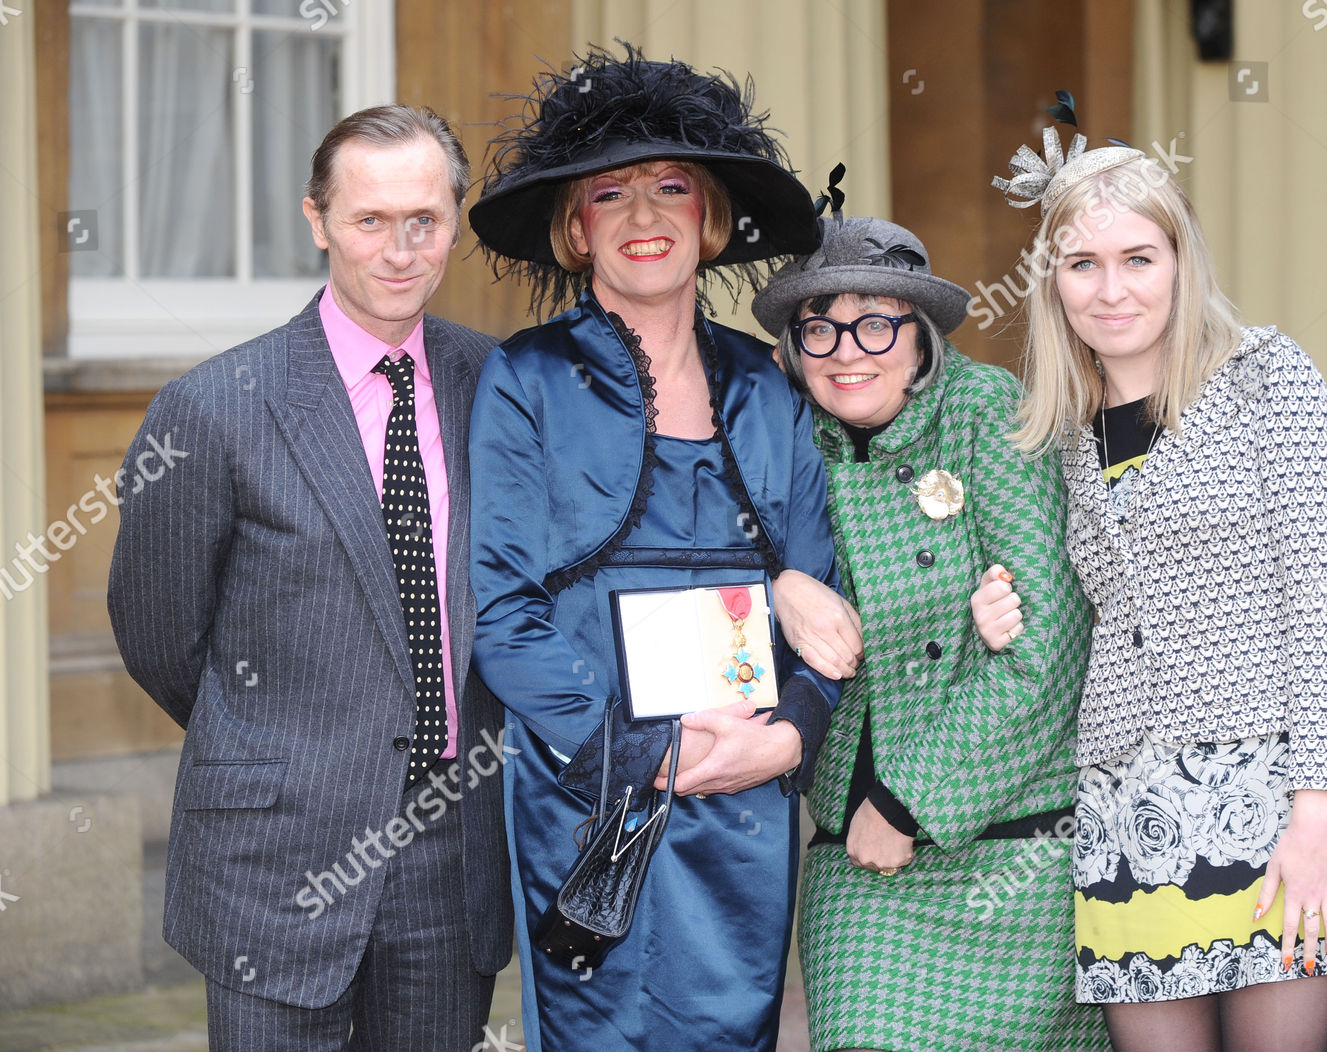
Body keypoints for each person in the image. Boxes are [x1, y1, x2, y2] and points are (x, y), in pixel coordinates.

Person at [108, 105, 510, 1050]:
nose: (402, 249)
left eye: (427, 220)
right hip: (274, 861)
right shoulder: (210, 409)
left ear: (456, 220)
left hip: (451, 856)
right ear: (318, 219)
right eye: (371, 220)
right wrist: (287, 751)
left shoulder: (495, 385)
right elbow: (160, 638)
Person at [465, 45, 841, 1051]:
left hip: (743, 791)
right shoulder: (525, 381)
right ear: (576, 228)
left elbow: (826, 601)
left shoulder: (771, 387)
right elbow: (502, 613)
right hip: (590, 797)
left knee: (735, 1028)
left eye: (671, 187)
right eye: (611, 193)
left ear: (709, 217)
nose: (644, 217)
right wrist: (642, 752)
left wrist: (788, 735)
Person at [998, 110, 1327, 1051]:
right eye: (1083, 264)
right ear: (1054, 282)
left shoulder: (1267, 380)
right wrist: (991, 600)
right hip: (1124, 805)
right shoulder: (1061, 432)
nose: (1111, 289)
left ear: (1180, 262)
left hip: (1269, 794)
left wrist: (1318, 814)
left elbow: (1326, 607)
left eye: (1139, 258)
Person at [750, 204, 1109, 1051]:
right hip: (861, 867)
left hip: (1015, 851)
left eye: (876, 324)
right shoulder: (784, 440)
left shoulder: (989, 413)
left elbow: (1046, 650)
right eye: (820, 331)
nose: (847, 353)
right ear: (792, 350)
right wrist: (779, 583)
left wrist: (910, 799)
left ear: (920, 337)